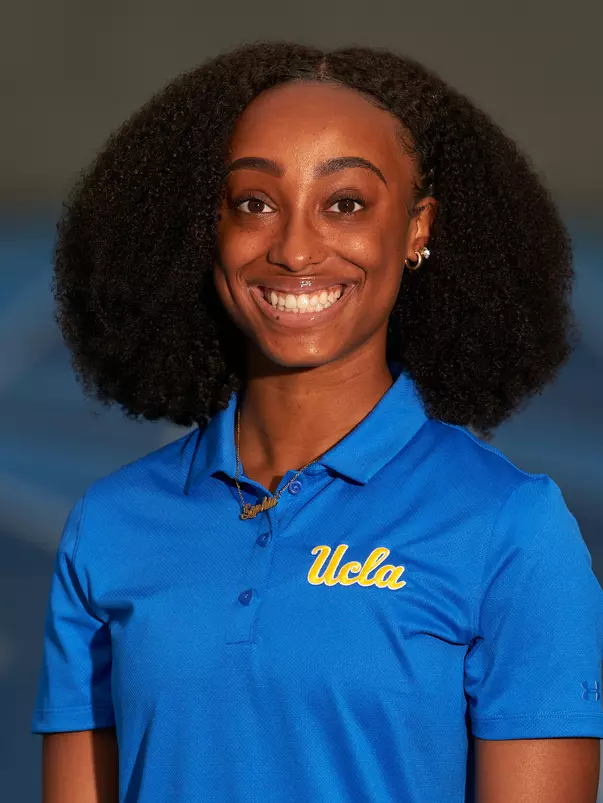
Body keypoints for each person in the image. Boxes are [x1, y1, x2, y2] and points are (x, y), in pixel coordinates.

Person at [31, 41, 603, 803]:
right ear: (209, 230)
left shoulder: (509, 528)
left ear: (416, 228)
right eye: (254, 203)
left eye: (345, 204)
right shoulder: (109, 524)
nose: (296, 247)